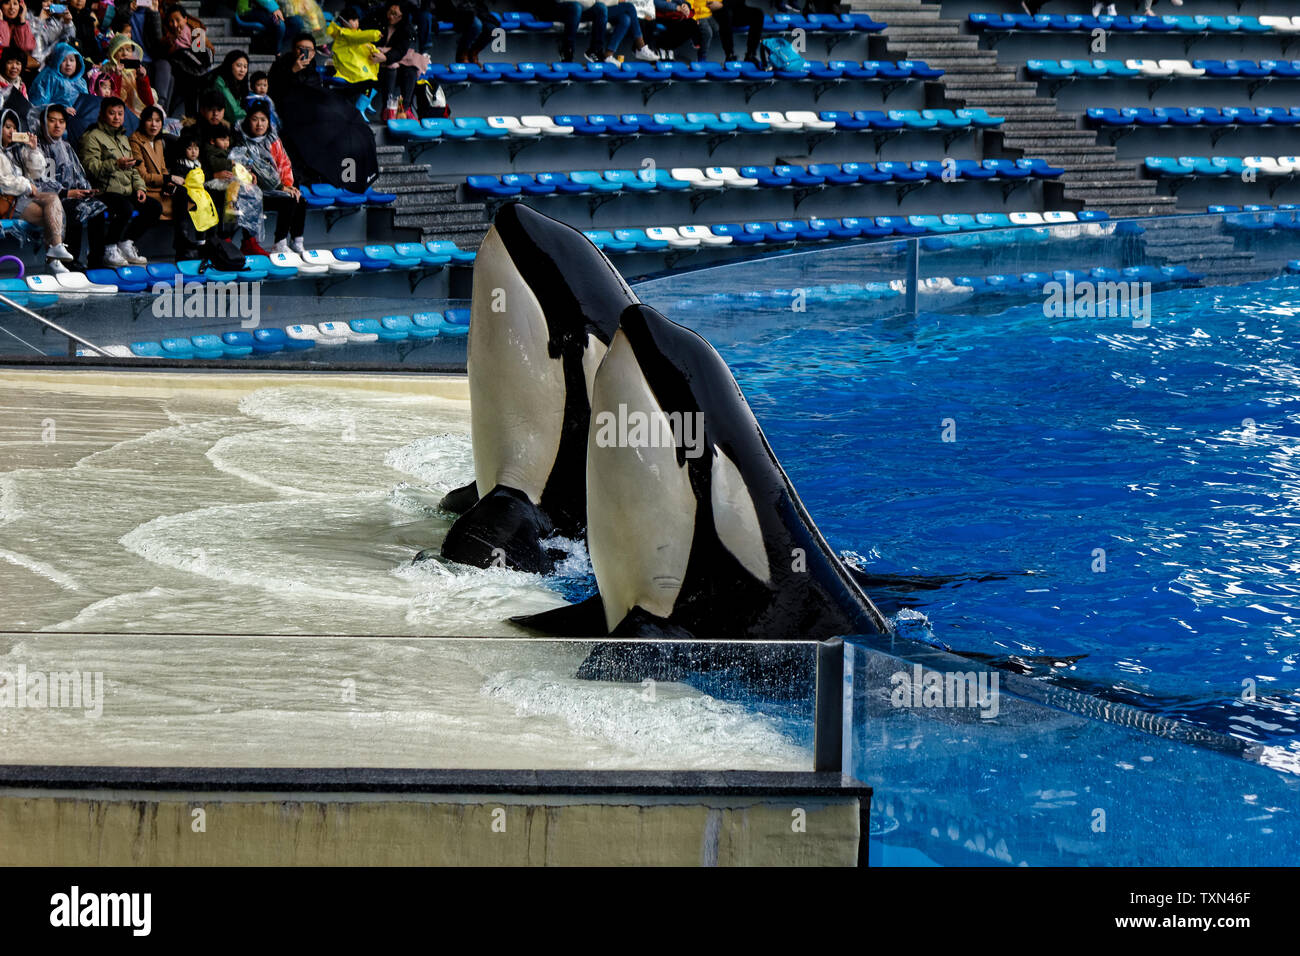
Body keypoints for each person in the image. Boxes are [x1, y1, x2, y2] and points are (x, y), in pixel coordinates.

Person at [23, 102, 107, 269]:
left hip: (71, 194)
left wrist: (85, 189)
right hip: (47, 198)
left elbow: (77, 172)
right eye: (52, 120)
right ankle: (70, 261)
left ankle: (96, 262)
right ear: (43, 123)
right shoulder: (36, 146)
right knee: (74, 209)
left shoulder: (66, 146)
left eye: (61, 121)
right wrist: (67, 193)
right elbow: (39, 180)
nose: (57, 125)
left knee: (98, 208)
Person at [77, 96, 159, 265]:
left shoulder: (123, 137)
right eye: (112, 113)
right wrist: (115, 164)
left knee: (154, 207)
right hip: (103, 191)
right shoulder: (92, 136)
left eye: (120, 114)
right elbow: (90, 168)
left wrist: (140, 188)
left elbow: (133, 168)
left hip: (125, 190)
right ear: (102, 114)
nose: (116, 117)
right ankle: (109, 247)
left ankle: (125, 243)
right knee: (125, 208)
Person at [0, 109, 72, 271]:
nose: (12, 132)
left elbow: (37, 172)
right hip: (7, 201)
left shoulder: (16, 151)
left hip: (21, 199)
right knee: (52, 212)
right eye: (7, 127)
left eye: (14, 128)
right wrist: (26, 185)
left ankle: (55, 249)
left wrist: (33, 149)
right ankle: (53, 258)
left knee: (53, 201)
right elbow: (3, 182)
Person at [237, 102, 303, 253]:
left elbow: (284, 163)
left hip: (275, 189)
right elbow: (260, 173)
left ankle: (296, 241)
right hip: (255, 192)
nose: (259, 124)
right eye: (255, 119)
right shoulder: (242, 141)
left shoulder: (273, 139)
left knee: (299, 198)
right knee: (288, 198)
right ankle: (279, 243)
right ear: (248, 120)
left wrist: (287, 184)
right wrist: (282, 188)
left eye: (263, 119)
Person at [201, 120, 265, 254]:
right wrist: (232, 164)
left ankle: (250, 241)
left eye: (227, 139)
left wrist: (247, 174)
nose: (226, 143)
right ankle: (225, 238)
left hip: (230, 187)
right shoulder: (210, 151)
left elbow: (237, 168)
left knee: (251, 196)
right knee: (232, 204)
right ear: (213, 141)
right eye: (222, 139)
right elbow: (215, 163)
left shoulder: (227, 151)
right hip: (213, 187)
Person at [159, 3, 212, 115]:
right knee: (182, 54)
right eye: (171, 21)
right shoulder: (168, 34)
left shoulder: (196, 30)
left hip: (197, 63)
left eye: (178, 20)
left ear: (185, 19)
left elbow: (201, 52)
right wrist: (174, 39)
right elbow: (167, 53)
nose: (174, 24)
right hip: (181, 66)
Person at [525, 0, 606, 62]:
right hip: (551, 9)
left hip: (575, 10)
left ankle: (595, 50)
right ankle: (567, 50)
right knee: (575, 7)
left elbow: (591, 2)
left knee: (600, 8)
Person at [422, 0, 496, 66]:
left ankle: (473, 52)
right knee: (477, 25)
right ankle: (462, 53)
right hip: (452, 9)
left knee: (492, 28)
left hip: (474, 7)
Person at [99, 33, 156, 115]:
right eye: (120, 50)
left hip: (135, 112)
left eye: (128, 49)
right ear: (113, 53)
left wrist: (142, 79)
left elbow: (149, 102)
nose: (125, 53)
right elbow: (112, 101)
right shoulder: (107, 70)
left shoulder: (134, 70)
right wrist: (116, 76)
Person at [129, 103, 169, 217]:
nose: (154, 125)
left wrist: (168, 182)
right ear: (143, 122)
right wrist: (167, 178)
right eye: (149, 120)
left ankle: (182, 233)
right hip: (147, 189)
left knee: (182, 192)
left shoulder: (158, 141)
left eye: (157, 120)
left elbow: (163, 168)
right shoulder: (135, 140)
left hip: (160, 187)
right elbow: (142, 176)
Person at [326, 5, 383, 86]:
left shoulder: (355, 33)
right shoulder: (345, 34)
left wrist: (375, 51)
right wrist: (374, 34)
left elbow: (367, 45)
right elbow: (359, 37)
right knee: (368, 83)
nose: (356, 23)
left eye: (357, 20)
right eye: (353, 20)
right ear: (344, 21)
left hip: (358, 66)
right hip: (352, 68)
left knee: (370, 85)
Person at [28, 41, 84, 112]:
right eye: (63, 60)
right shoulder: (48, 78)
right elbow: (38, 105)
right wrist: (62, 110)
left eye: (72, 60)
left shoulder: (81, 81)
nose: (68, 64)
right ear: (57, 61)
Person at [28, 0, 75, 69]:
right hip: (35, 65)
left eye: (52, 1)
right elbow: (32, 44)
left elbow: (69, 40)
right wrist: (40, 21)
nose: (49, 4)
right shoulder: (29, 17)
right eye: (45, 1)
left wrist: (68, 23)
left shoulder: (56, 21)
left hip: (52, 65)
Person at [210, 50, 249, 124]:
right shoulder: (219, 81)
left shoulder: (237, 82)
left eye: (245, 67)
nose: (242, 70)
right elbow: (234, 113)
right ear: (229, 65)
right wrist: (253, 116)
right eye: (238, 66)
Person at [0, 0, 37, 67]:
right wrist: (1, 22)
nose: (12, 7)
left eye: (15, 4)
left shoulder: (23, 24)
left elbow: (26, 46)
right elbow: (3, 43)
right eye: (6, 3)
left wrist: (22, 20)